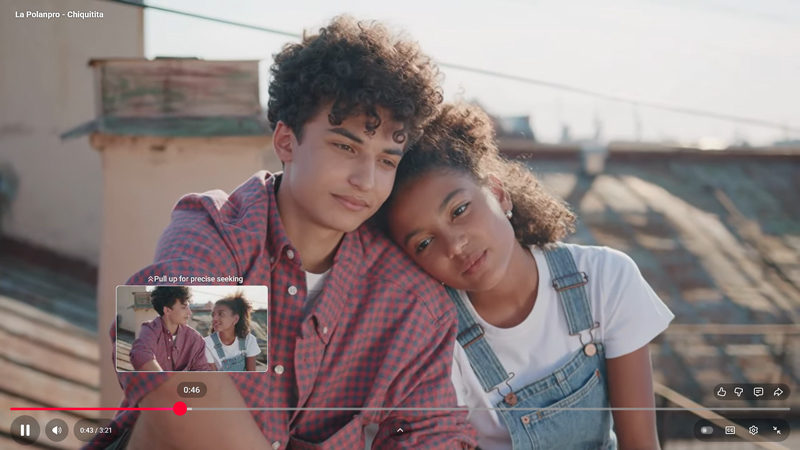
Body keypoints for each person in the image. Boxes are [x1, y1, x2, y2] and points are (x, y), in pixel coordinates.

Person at [90, 16, 476, 450]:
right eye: (345, 147)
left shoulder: (410, 301)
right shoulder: (219, 228)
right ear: (286, 142)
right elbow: (156, 349)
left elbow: (433, 435)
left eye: (386, 161)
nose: (366, 180)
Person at [378, 103, 675, 450]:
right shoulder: (437, 338)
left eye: (459, 210)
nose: (455, 246)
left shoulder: (604, 278)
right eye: (425, 243)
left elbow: (639, 442)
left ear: (498, 194)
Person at [128, 286, 208, 372]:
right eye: (183, 307)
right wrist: (164, 378)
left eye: (188, 307)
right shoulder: (151, 330)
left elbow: (202, 371)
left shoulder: (195, 339)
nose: (189, 312)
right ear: (167, 310)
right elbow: (140, 354)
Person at [204, 294, 261, 371]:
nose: (214, 319)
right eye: (213, 315)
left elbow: (251, 374)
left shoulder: (249, 340)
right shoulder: (207, 344)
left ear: (235, 319)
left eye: (221, 314)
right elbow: (213, 376)